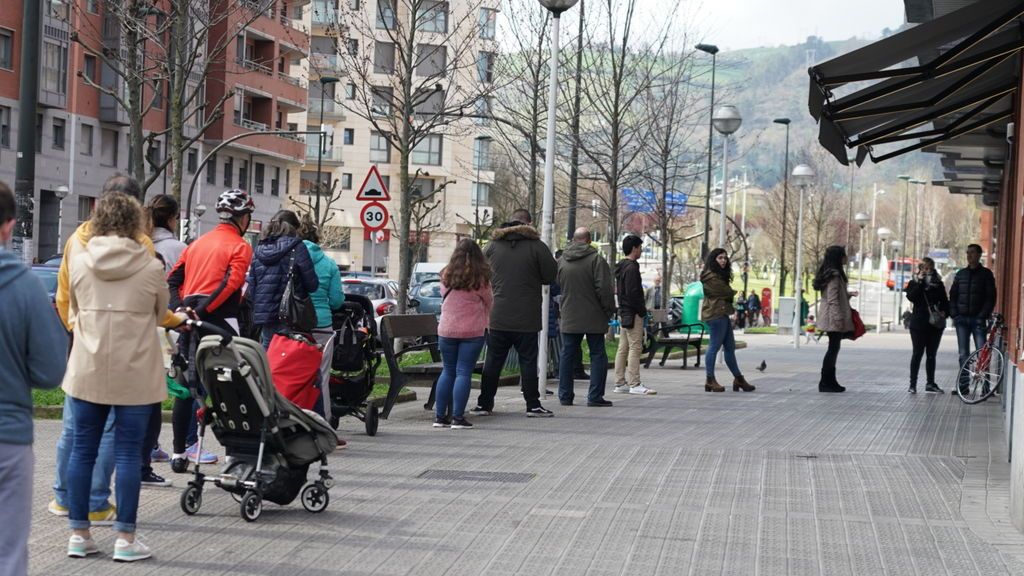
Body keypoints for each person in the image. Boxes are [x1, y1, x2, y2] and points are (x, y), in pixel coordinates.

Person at [63, 192, 189, 562]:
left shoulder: (81, 260)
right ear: (138, 224)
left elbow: (71, 307)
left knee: (82, 451)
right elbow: (160, 312)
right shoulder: (150, 266)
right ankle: (125, 540)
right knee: (129, 455)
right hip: (135, 370)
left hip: (88, 367)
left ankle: (78, 534)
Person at [0, 181, 68, 576]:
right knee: (8, 552)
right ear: (9, 226)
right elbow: (49, 371)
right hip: (7, 437)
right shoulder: (25, 287)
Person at [167, 188, 255, 471]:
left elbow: (173, 278)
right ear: (243, 219)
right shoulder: (241, 246)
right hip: (220, 320)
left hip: (189, 322)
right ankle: (233, 455)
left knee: (185, 386)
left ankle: (179, 454)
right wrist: (203, 311)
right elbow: (230, 284)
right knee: (230, 388)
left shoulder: (197, 243)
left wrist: (181, 308)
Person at [471, 209, 558, 417]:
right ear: (527, 224)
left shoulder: (492, 246)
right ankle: (532, 405)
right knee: (528, 361)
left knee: (493, 361)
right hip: (527, 316)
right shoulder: (537, 246)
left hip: (498, 314)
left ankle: (484, 404)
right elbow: (549, 276)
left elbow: (480, 273)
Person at [139, 194, 187, 488]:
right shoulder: (177, 248)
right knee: (158, 395)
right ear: (172, 218)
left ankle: (142, 452)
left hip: (130, 331)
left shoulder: (138, 244)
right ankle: (146, 456)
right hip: (164, 326)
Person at [434, 239, 493, 429]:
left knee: (448, 370)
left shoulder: (446, 275)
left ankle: (440, 417)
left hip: (447, 330)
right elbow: (489, 302)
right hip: (472, 331)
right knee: (463, 372)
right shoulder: (481, 278)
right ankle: (458, 418)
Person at [557, 228, 616, 407]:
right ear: (589, 240)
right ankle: (595, 396)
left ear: (574, 240)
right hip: (594, 315)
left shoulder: (562, 261)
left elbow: (558, 284)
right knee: (597, 354)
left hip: (569, 314)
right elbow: (604, 289)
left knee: (567, 354)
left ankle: (565, 396)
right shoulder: (596, 260)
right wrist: (609, 310)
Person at [246, 210, 319, 349]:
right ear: (294, 228)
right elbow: (312, 285)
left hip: (265, 315)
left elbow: (252, 288)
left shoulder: (259, 249)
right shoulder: (297, 247)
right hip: (292, 315)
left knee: (269, 356)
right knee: (289, 359)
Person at [700, 248, 755, 393]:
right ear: (713, 259)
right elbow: (725, 292)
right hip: (715, 314)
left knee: (730, 348)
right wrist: (730, 294)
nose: (723, 260)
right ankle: (710, 379)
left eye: (725, 258)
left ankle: (739, 379)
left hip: (722, 313)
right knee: (714, 347)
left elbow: (726, 295)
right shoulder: (711, 276)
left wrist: (728, 295)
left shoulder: (719, 275)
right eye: (720, 258)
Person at [949, 243, 996, 395]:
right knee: (963, 354)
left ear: (979, 255)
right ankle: (963, 387)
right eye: (968, 253)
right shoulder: (960, 274)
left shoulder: (986, 274)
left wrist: (982, 316)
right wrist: (955, 315)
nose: (969, 256)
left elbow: (991, 298)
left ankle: (986, 388)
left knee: (982, 353)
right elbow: (953, 296)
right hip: (962, 320)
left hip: (978, 320)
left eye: (972, 253)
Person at [613, 235, 655, 396]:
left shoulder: (622, 266)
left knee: (623, 347)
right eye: (640, 247)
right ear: (634, 248)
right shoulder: (631, 268)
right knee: (635, 347)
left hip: (623, 312)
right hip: (633, 313)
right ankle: (634, 383)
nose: (641, 250)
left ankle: (620, 382)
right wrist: (642, 311)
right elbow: (633, 293)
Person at [814, 245, 858, 393]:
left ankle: (829, 381)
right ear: (838, 257)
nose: (846, 257)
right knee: (833, 348)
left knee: (834, 348)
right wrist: (839, 318)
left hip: (831, 316)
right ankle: (826, 382)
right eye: (844, 255)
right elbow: (832, 299)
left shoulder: (833, 274)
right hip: (833, 318)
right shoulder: (834, 275)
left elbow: (834, 295)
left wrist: (848, 294)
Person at [906, 257, 949, 394]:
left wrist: (944, 312)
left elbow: (945, 301)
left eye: (930, 268)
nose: (927, 271)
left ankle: (930, 383)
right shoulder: (914, 282)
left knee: (931, 355)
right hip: (918, 323)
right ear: (920, 269)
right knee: (917, 353)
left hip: (935, 324)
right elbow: (911, 297)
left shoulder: (938, 283)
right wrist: (919, 282)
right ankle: (912, 384)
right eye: (924, 268)